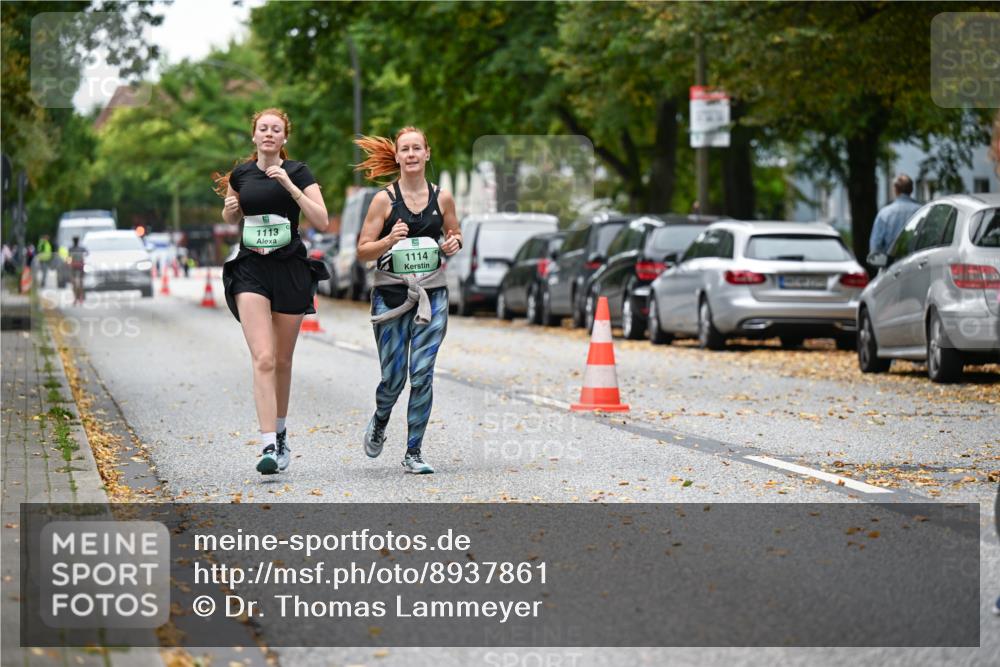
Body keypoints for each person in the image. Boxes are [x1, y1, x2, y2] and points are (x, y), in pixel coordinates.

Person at [213, 108, 330, 475]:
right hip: (250, 270)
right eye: (262, 129)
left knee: (282, 360)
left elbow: (322, 220)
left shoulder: (299, 171)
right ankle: (266, 444)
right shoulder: (242, 174)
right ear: (254, 136)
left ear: (284, 138)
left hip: (291, 269)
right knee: (263, 358)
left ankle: (280, 434)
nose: (268, 134)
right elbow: (230, 216)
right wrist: (230, 210)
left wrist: (290, 187)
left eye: (275, 130)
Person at [354, 127, 462, 474]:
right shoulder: (384, 200)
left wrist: (452, 244)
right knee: (393, 378)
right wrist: (389, 239)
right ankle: (381, 419)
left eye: (418, 148)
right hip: (391, 295)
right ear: (398, 156)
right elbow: (361, 251)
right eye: (406, 149)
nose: (412, 154)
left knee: (422, 373)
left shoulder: (442, 198)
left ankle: (413, 452)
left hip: (433, 295)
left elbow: (454, 234)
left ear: (427, 154)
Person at [869, 174, 921, 258]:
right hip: (918, 263)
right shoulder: (921, 211)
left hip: (891, 265)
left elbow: (875, 246)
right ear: (911, 189)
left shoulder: (885, 213)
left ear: (895, 189)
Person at [67, 236, 87, 305]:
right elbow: (87, 253)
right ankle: (79, 298)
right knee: (79, 283)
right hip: (78, 266)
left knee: (76, 283)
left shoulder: (71, 249)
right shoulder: (81, 248)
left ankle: (78, 298)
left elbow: (68, 257)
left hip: (76, 266)